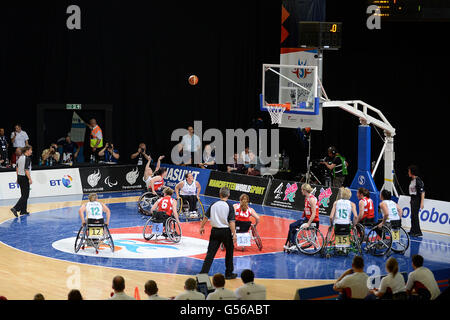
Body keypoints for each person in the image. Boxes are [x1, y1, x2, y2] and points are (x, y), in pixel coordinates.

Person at [199, 187, 237, 280]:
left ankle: (203, 274)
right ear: (228, 195)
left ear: (220, 195)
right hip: (226, 232)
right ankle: (228, 273)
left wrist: (202, 226)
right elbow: (231, 221)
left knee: (210, 253)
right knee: (229, 252)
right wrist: (234, 234)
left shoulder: (213, 204)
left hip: (215, 231)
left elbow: (205, 217)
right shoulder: (229, 206)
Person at [284, 183, 319, 251]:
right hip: (307, 218)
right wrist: (301, 218)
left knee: (292, 226)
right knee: (293, 225)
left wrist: (308, 224)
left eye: (302, 190)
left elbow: (314, 213)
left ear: (305, 190)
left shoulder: (311, 199)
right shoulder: (307, 198)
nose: (301, 191)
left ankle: (293, 243)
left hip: (313, 220)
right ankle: (293, 242)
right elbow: (306, 211)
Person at [10, 145, 33, 217]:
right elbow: (26, 170)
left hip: (20, 177)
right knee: (25, 195)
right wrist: (30, 179)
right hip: (24, 178)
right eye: (31, 150)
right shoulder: (27, 159)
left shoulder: (20, 158)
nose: (31, 151)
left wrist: (17, 178)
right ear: (27, 151)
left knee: (24, 195)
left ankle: (23, 211)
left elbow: (17, 168)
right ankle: (15, 208)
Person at [408, 165, 425, 237]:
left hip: (417, 199)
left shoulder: (418, 180)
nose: (408, 172)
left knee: (415, 216)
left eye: (409, 171)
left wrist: (422, 202)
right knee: (413, 215)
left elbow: (422, 192)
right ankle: (413, 230)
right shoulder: (412, 180)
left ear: (412, 172)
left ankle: (418, 231)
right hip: (413, 199)